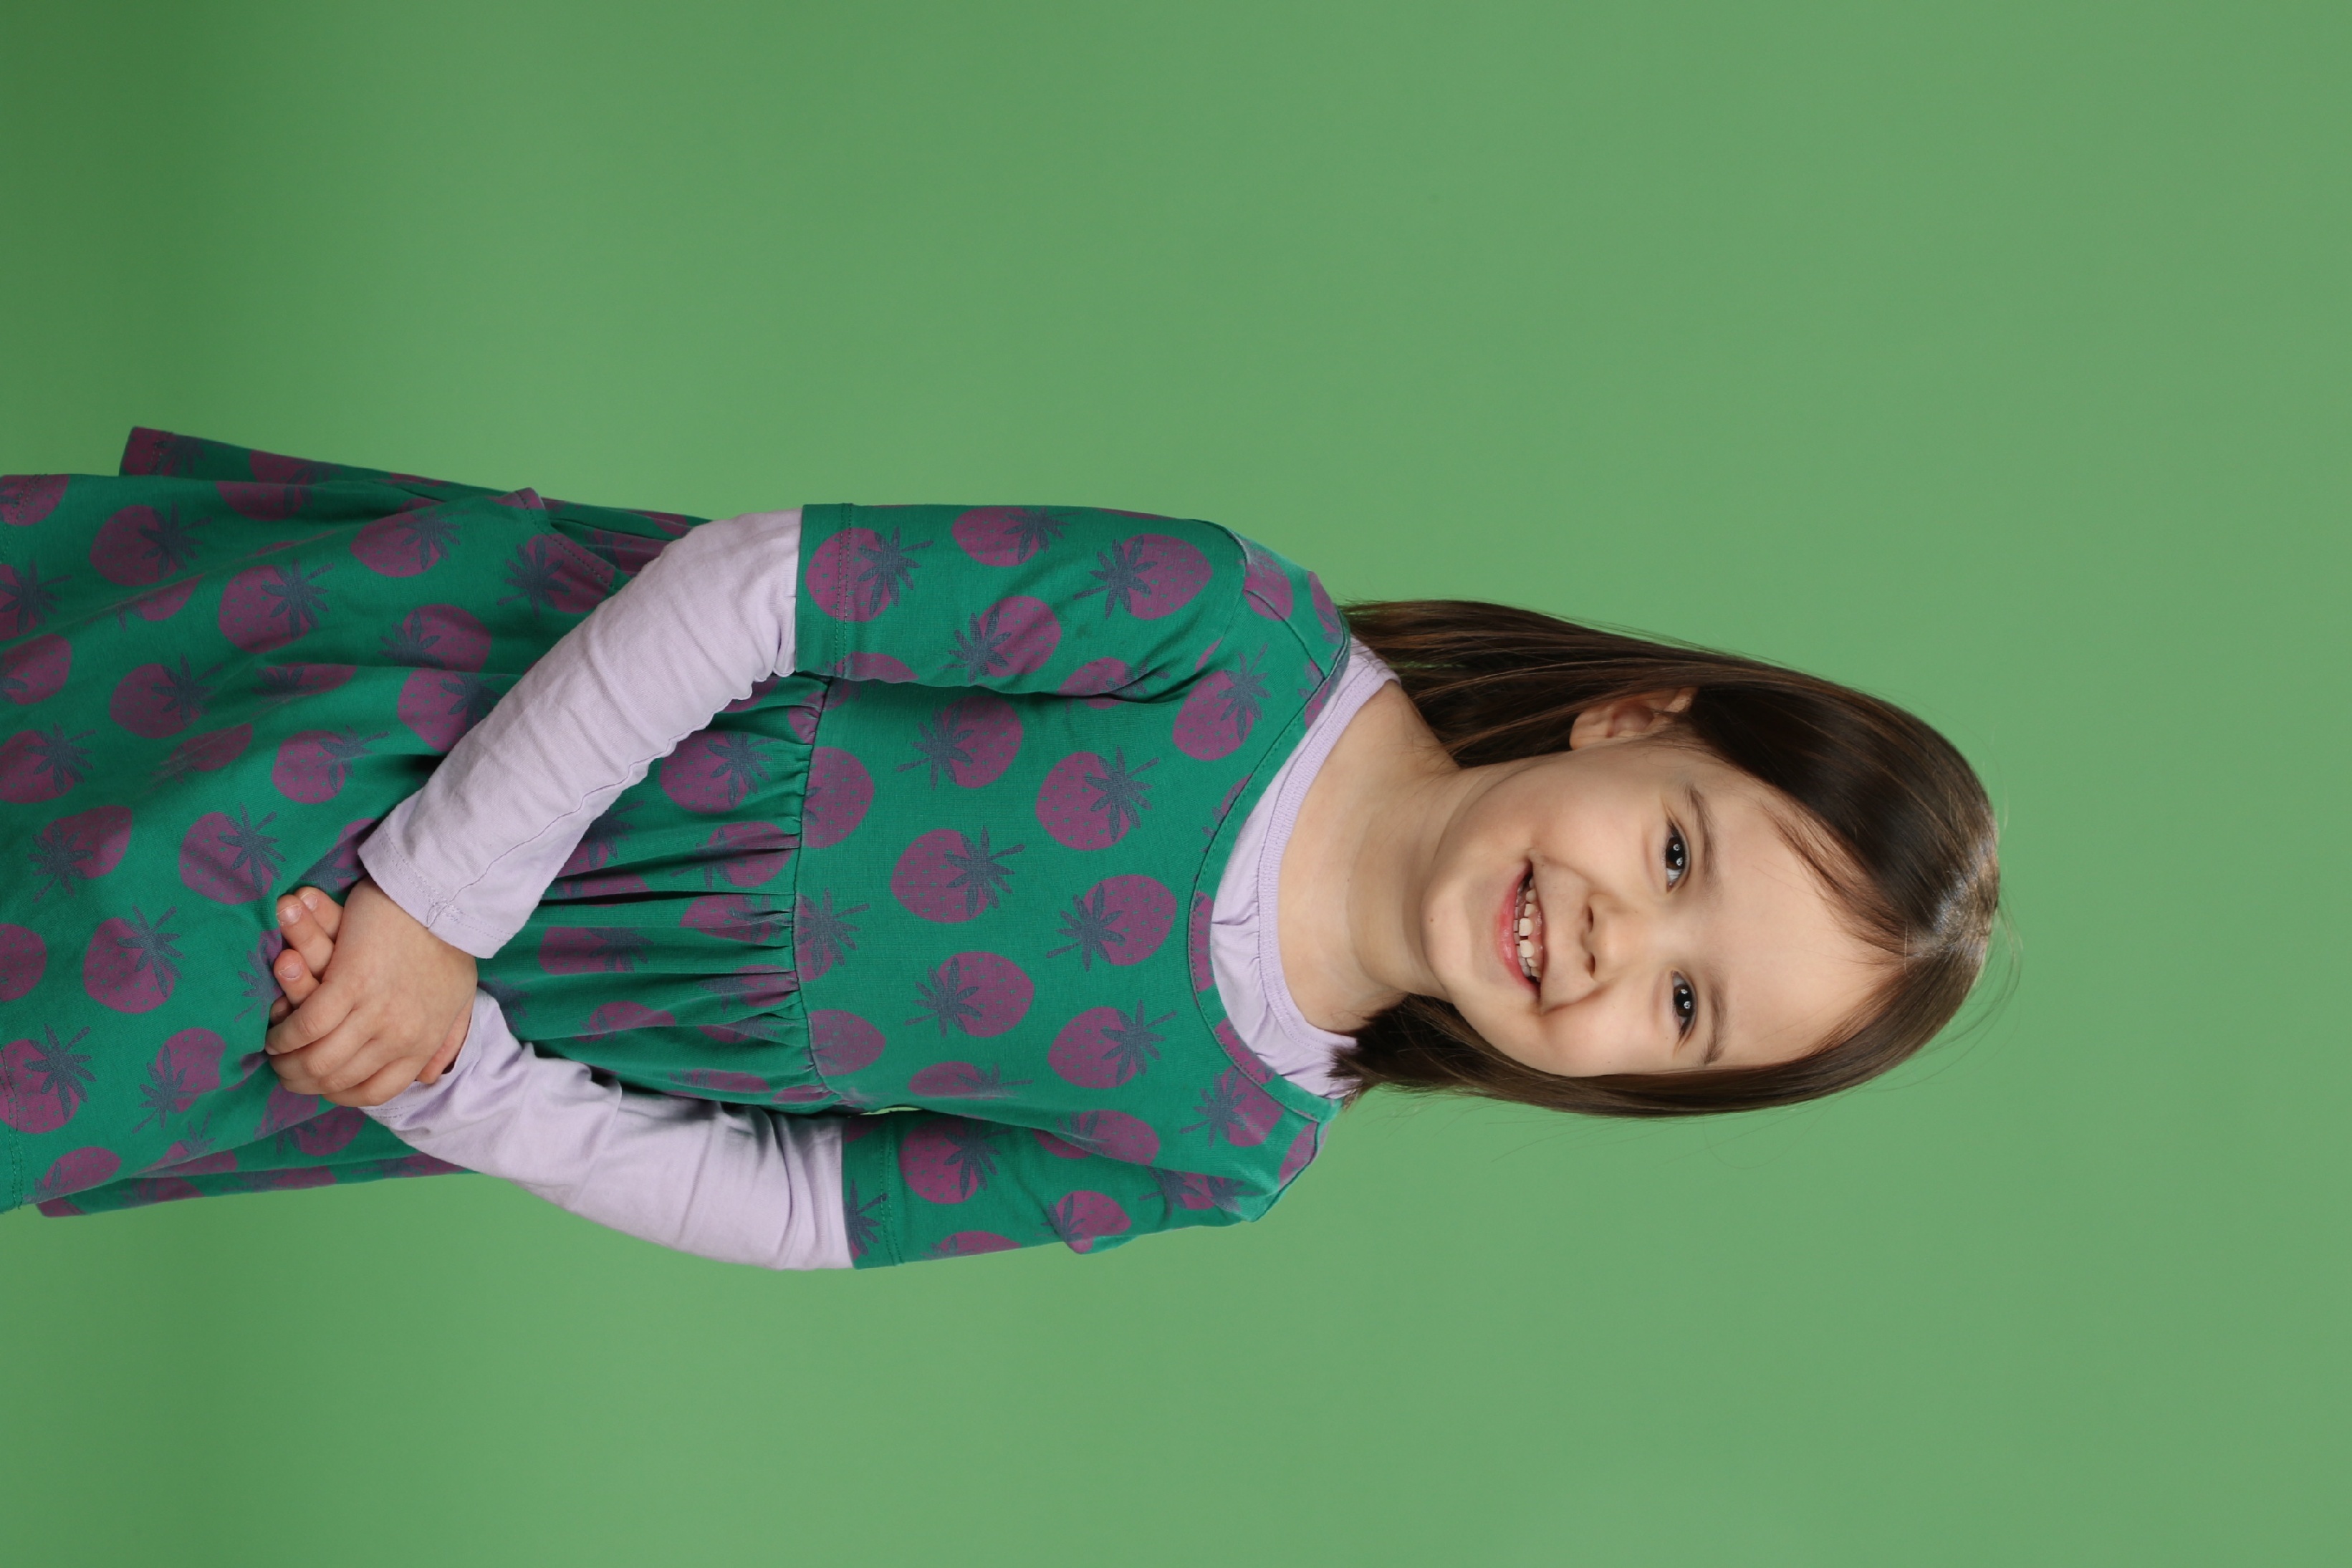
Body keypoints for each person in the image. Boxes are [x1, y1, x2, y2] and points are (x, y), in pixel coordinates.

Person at [0, 430, 1998, 1268]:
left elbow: (807, 1205)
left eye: (1684, 1007)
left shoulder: (1229, 1145)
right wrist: (439, 895)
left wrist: (459, 1074)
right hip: (420, 734)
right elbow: (761, 590)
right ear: (1637, 720)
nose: (1617, 940)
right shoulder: (1221, 634)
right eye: (1678, 856)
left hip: (399, 1032)